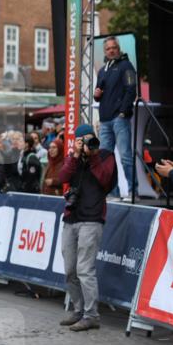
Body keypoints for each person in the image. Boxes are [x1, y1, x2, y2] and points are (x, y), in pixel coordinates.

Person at [58, 125, 117, 331]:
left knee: (85, 269)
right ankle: (78, 309)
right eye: (83, 140)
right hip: (71, 218)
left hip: (92, 219)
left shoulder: (105, 155)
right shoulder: (73, 157)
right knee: (69, 270)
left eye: (90, 139)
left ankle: (92, 315)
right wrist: (75, 155)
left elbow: (105, 180)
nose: (88, 144)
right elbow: (62, 177)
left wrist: (92, 156)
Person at [94, 36, 137, 198]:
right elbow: (99, 93)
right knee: (105, 159)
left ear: (118, 49)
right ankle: (112, 192)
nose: (111, 50)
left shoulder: (127, 66)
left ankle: (133, 191)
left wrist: (123, 112)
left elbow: (131, 89)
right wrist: (96, 95)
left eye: (114, 48)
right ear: (105, 51)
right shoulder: (102, 70)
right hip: (105, 120)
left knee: (125, 156)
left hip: (119, 118)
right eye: (108, 48)